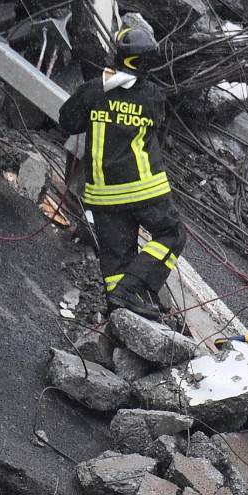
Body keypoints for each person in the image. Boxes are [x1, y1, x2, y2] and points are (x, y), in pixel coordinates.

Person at [58, 25, 185, 320]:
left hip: (102, 195)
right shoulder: (152, 97)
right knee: (172, 235)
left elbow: (68, 121)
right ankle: (134, 289)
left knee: (116, 263)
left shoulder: (93, 89)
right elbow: (155, 125)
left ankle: (121, 307)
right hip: (144, 190)